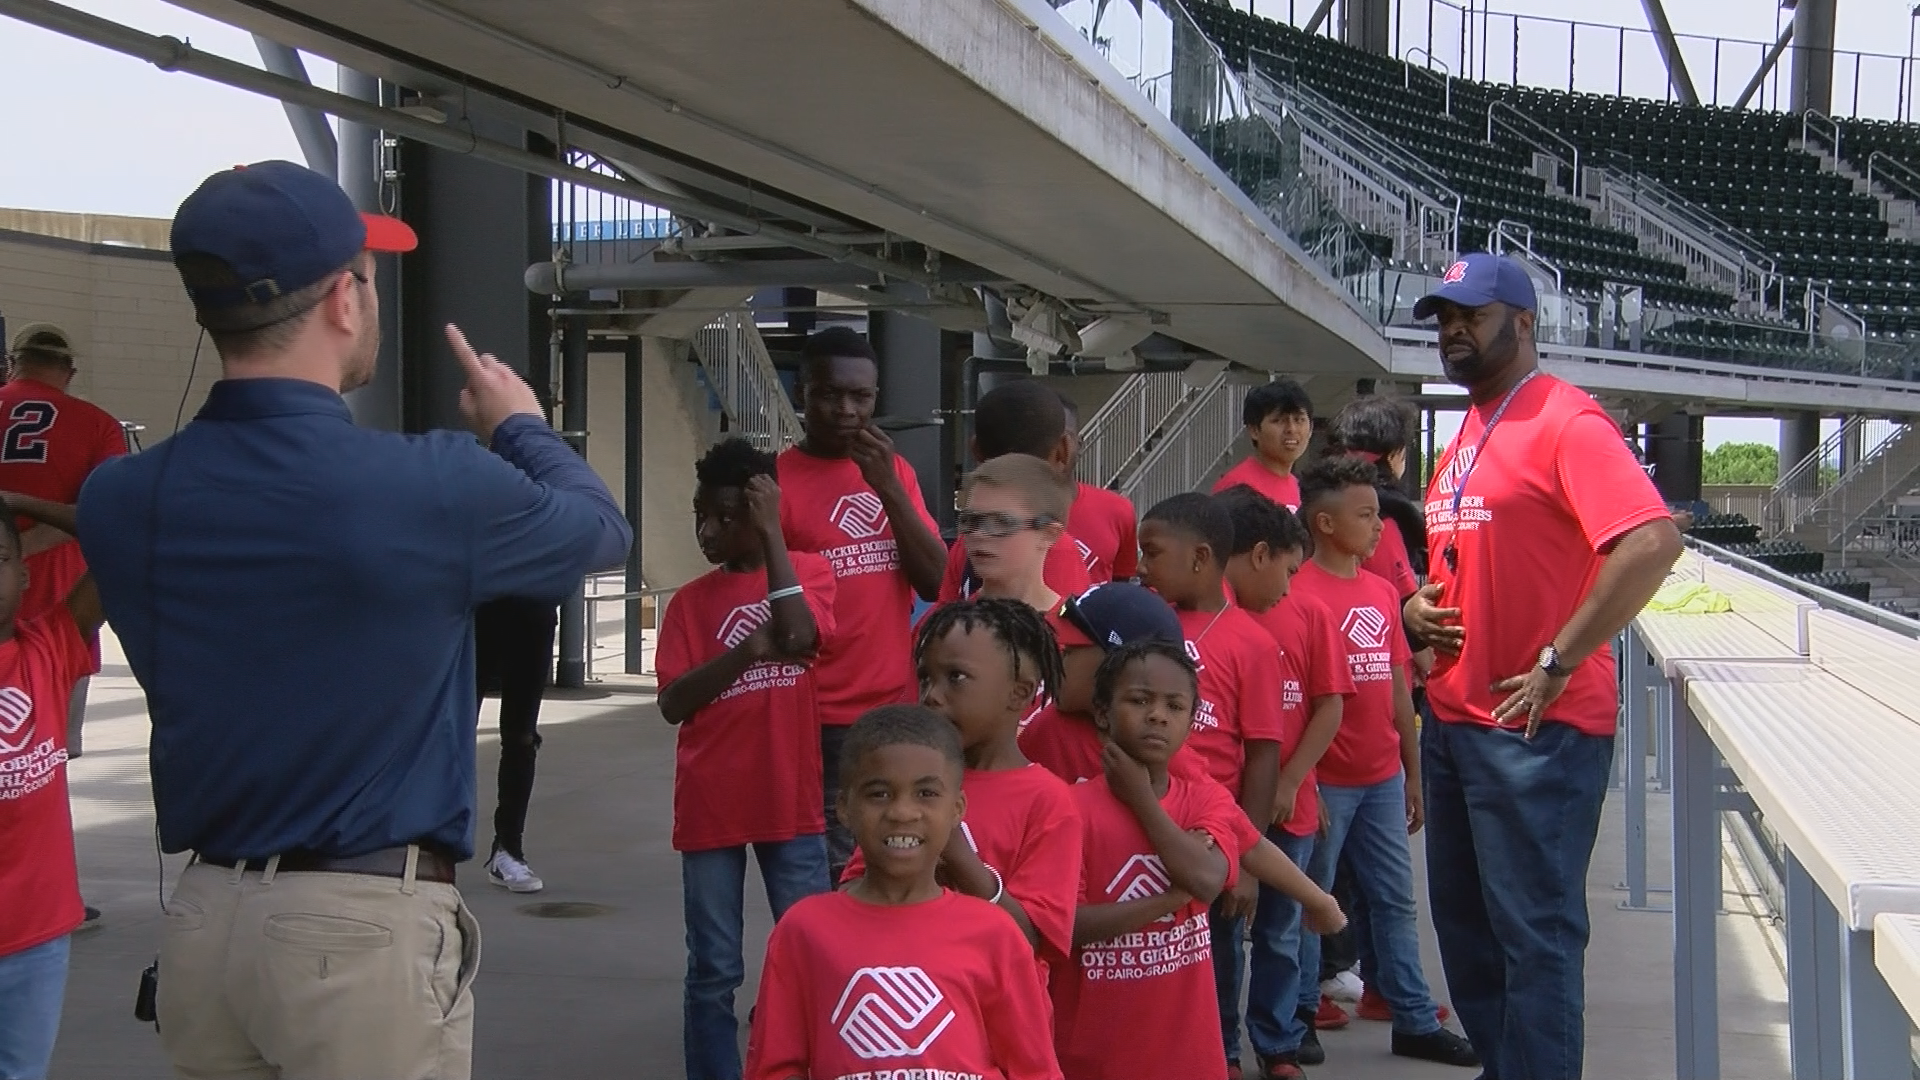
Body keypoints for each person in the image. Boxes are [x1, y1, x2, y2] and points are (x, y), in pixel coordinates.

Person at [75, 160, 631, 1080]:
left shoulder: (119, 499)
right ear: (344, 297)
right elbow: (599, 533)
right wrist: (521, 426)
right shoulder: (433, 483)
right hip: (361, 930)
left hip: (206, 924)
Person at [1405, 254, 1681, 1080]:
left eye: (1473, 316)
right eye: (1445, 318)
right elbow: (1463, 562)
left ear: (1523, 325)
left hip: (1536, 731)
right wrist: (1418, 608)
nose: (1455, 332)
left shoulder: (1565, 419)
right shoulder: (1466, 433)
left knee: (1535, 939)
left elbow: (1652, 540)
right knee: (1467, 932)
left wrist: (1562, 656)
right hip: (1456, 723)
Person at [744, 705, 1063, 1080]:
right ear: (845, 808)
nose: (902, 812)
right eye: (879, 794)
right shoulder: (803, 931)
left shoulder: (995, 934)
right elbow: (774, 1068)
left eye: (926, 793)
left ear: (957, 808)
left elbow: (1033, 1070)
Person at [657, 437, 837, 1080]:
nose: (709, 530)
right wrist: (744, 652)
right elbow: (674, 701)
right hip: (711, 806)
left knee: (810, 948)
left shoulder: (809, 573)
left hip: (790, 802)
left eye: (729, 518)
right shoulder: (687, 603)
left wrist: (774, 539)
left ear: (762, 514)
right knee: (713, 967)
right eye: (701, 516)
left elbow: (798, 634)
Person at [1290, 456, 1478, 1069]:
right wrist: (1304, 783)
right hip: (1326, 783)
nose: (1378, 527)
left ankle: (1414, 1018)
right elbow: (1295, 702)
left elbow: (1398, 685)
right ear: (1324, 523)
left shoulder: (1377, 590)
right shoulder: (1297, 594)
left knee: (1396, 900)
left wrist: (1412, 770)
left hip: (1381, 779)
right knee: (1309, 901)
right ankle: (1296, 1017)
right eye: (1366, 515)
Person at [778, 325, 947, 882]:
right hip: (816, 714)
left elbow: (933, 580)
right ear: (803, 392)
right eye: (831, 393)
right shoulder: (776, 482)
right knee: (834, 865)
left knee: (894, 850)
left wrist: (888, 489)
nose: (848, 409)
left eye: (862, 396)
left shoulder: (891, 470)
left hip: (892, 706)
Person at [842, 599, 1081, 981]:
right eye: (925, 678)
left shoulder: (1048, 801)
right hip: (904, 994)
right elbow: (853, 893)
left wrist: (954, 852)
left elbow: (1031, 937)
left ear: (1019, 694)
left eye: (956, 677)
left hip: (994, 1016)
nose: (932, 695)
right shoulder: (908, 778)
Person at [1133, 493, 1288, 1078]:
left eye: (1152, 553)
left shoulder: (1250, 641)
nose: (1141, 565)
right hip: (1142, 823)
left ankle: (1220, 1057)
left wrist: (1244, 861)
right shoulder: (1144, 624)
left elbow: (1263, 753)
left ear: (1200, 559)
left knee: (1218, 957)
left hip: (1210, 837)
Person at [1052, 640, 1248, 1080]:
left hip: (1188, 1056)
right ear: (1102, 713)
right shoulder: (1068, 809)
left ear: (1191, 721)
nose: (1158, 715)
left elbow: (1207, 880)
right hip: (1091, 1056)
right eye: (1140, 700)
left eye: (1175, 706)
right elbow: (1067, 925)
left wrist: (1142, 801)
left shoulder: (1206, 799)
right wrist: (1168, 899)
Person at [1214, 486, 1353, 1077]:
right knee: (1222, 938)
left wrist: (1296, 781)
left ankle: (1277, 1043)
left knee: (1279, 931)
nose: (1292, 587)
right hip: (1221, 818)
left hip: (1285, 811)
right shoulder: (1216, 623)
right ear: (1260, 555)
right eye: (1289, 572)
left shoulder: (1308, 615)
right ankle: (1222, 1048)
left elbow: (1328, 707)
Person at [0, 323, 127, 930]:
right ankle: (46, 897)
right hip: (54, 615)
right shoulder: (94, 422)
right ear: (67, 371)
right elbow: (112, 515)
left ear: (13, 364)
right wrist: (29, 540)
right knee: (36, 764)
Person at [0, 499, 105, 1080]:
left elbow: (128, 536)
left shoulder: (49, 649)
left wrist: (18, 501)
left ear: (24, 573)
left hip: (37, 940)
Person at [940, 380, 1095, 601]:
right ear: (1064, 450)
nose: (982, 533)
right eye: (971, 521)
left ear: (975, 450)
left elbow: (935, 624)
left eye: (1002, 523)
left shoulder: (968, 541)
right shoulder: (1049, 543)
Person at [938, 453, 1092, 651]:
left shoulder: (1077, 638)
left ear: (1048, 534)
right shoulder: (946, 629)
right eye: (970, 521)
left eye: (1000, 523)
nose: (978, 534)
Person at [473, 597, 558, 893]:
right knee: (452, 732)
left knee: (520, 736)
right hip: (473, 609)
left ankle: (508, 849)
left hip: (531, 610)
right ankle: (434, 844)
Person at [1056, 391, 1139, 583]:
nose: (1056, 449)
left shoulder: (1118, 510)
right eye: (1043, 437)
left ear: (1080, 444)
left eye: (1064, 438)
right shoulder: (998, 514)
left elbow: (1120, 588)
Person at [1213, 379, 1314, 510]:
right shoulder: (1236, 487)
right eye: (1279, 420)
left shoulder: (1302, 488)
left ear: (1311, 428)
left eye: (1299, 420)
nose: (1291, 429)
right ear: (1254, 430)